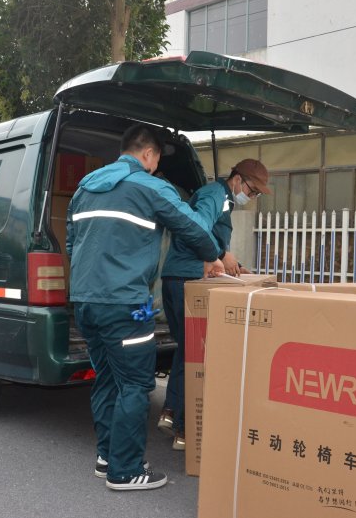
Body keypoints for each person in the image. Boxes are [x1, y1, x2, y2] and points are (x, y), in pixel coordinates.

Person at [66, 124, 225, 491]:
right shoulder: (150, 186)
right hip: (125, 305)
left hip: (86, 303)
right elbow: (195, 229)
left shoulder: (85, 187)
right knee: (135, 384)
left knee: (107, 378)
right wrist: (212, 254)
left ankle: (107, 456)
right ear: (149, 154)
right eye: (155, 161)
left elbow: (73, 244)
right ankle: (125, 470)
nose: (155, 167)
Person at [157, 158, 272, 450]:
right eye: (253, 190)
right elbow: (196, 226)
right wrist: (221, 253)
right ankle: (184, 426)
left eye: (257, 194)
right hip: (187, 278)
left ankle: (172, 414)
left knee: (188, 350)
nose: (252, 196)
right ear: (237, 179)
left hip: (179, 277)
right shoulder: (215, 195)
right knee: (196, 353)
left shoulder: (224, 200)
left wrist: (234, 263)